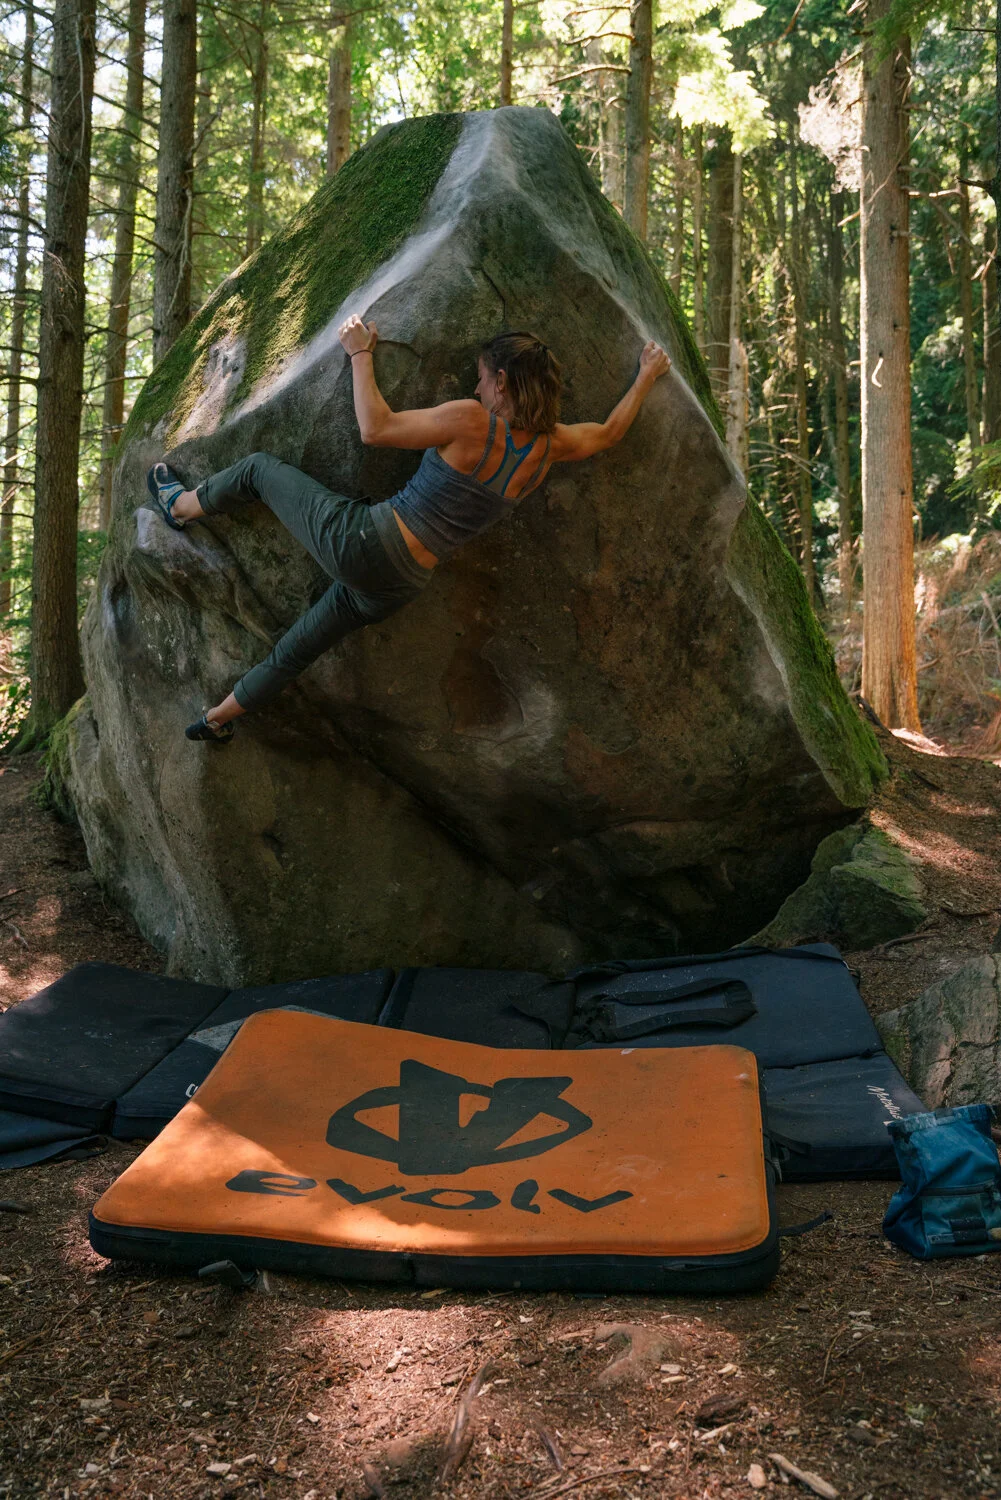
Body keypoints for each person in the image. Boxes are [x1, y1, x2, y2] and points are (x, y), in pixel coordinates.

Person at [147, 316, 672, 741]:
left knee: (260, 470)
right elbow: (609, 433)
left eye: (482, 378)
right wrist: (646, 375)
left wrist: (360, 353)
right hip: (400, 586)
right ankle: (218, 718)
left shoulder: (474, 421)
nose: (475, 387)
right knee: (296, 651)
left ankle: (181, 507)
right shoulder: (550, 447)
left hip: (365, 544)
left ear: (502, 382)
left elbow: (375, 429)